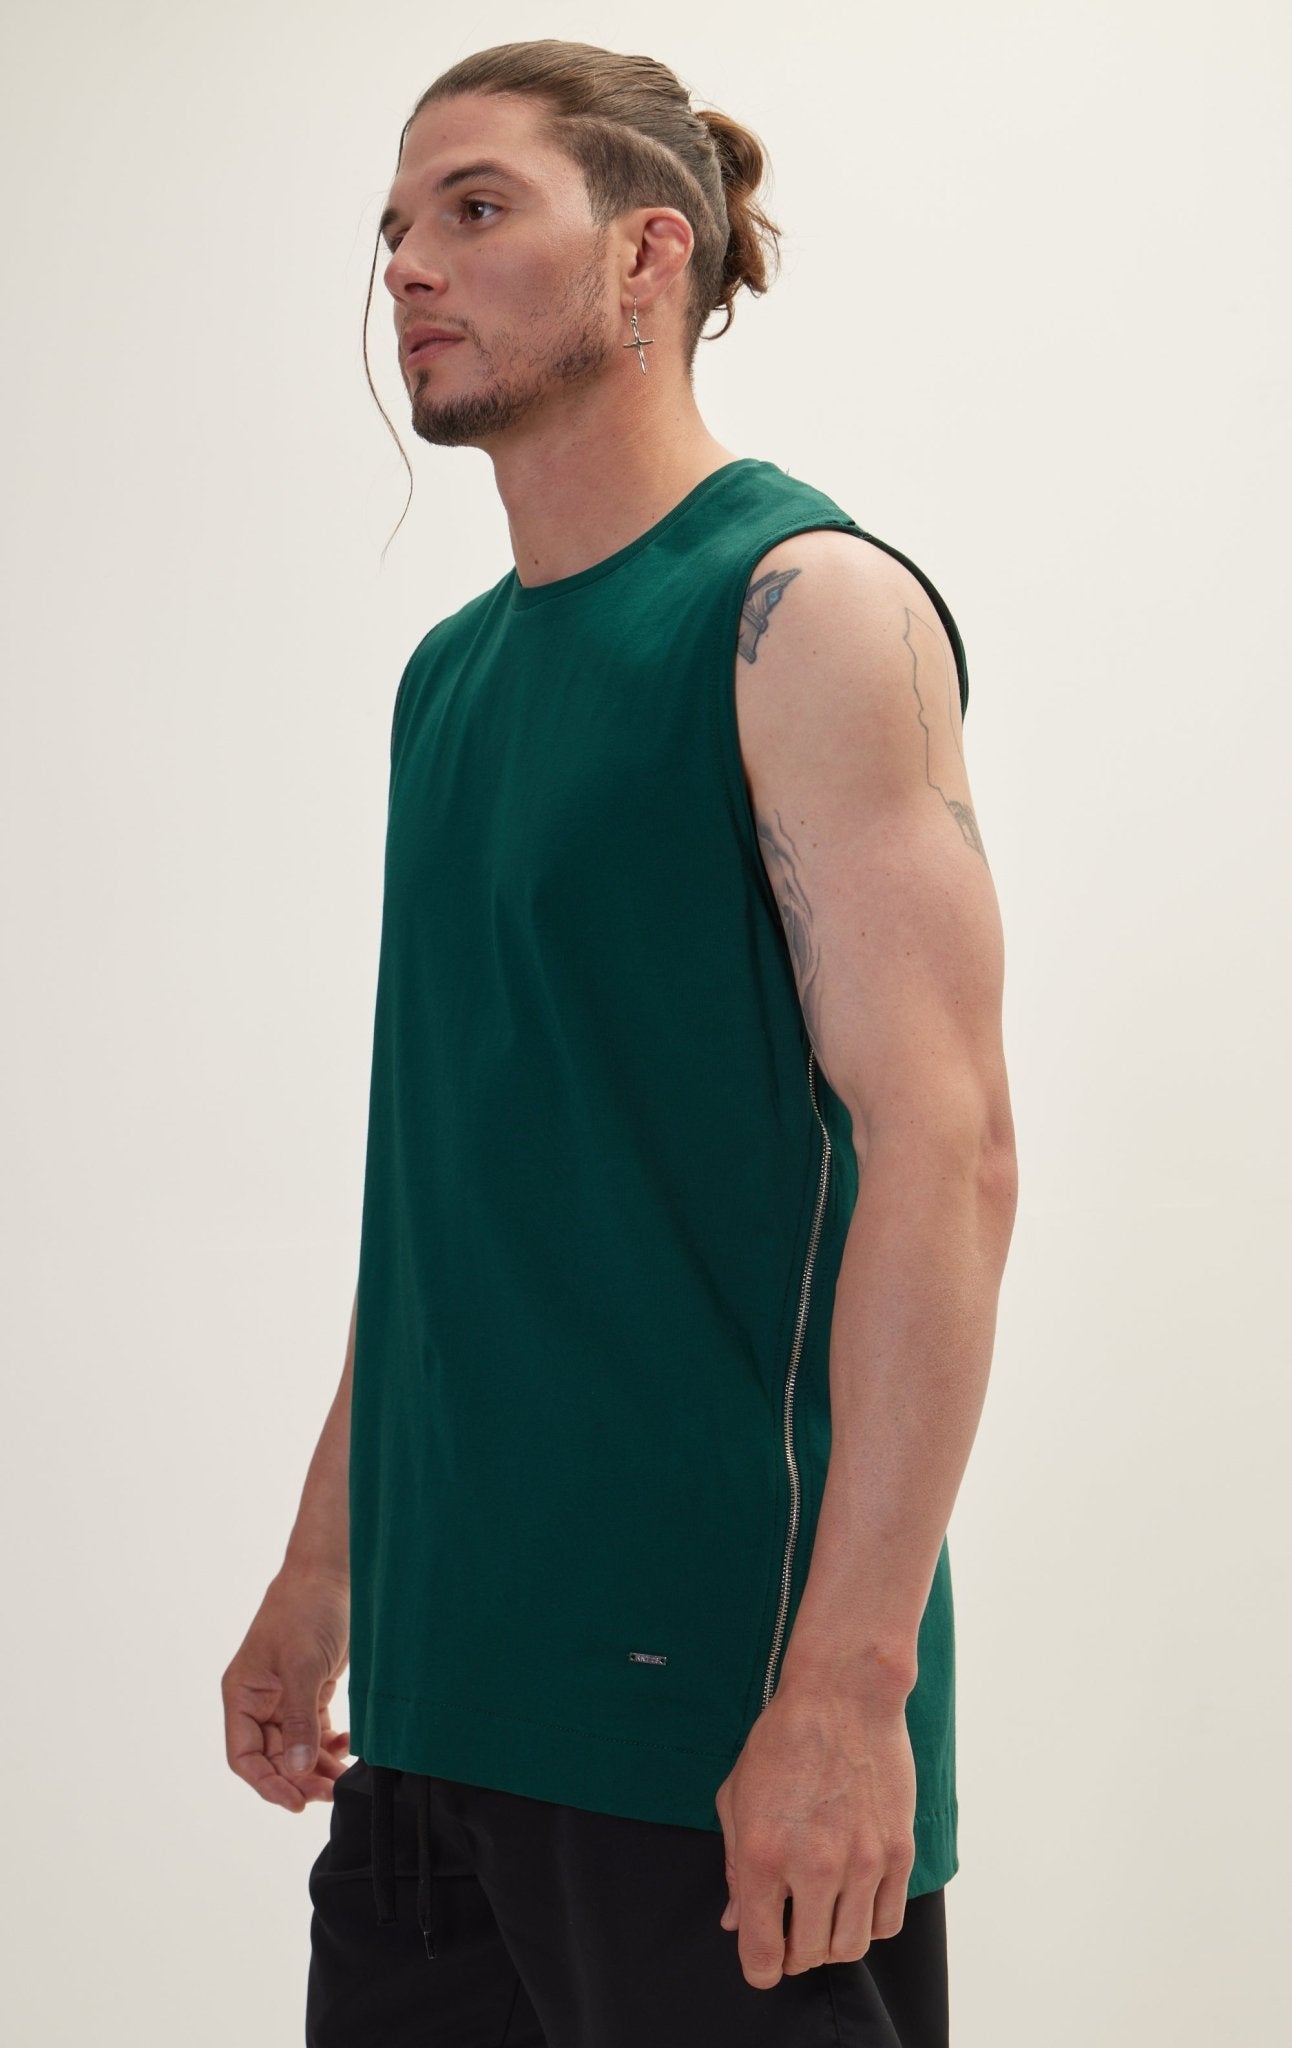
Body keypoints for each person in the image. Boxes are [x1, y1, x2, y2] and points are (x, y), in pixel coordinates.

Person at [220, 37, 1017, 2048]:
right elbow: (461, 1187)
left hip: (710, 1730)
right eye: (394, 226)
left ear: (649, 253)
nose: (407, 264)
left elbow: (948, 1157)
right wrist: (323, 1570)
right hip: (436, 1726)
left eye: (476, 207)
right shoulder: (449, 681)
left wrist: (847, 1689)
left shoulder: (802, 609)